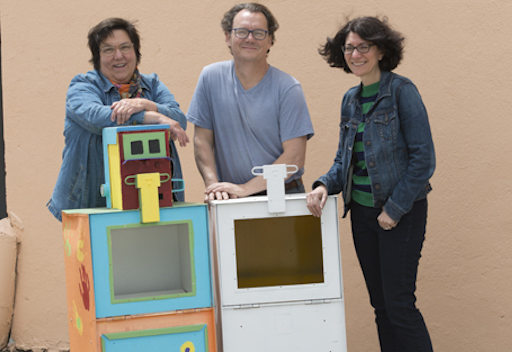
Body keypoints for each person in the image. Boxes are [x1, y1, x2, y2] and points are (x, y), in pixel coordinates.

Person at [306, 16, 448, 352]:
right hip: (364, 217)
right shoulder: (351, 100)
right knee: (382, 308)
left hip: (399, 215)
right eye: (349, 48)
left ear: (381, 50)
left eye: (363, 46)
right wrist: (322, 184)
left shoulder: (402, 92)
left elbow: (423, 159)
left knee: (400, 305)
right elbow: (343, 161)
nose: (355, 54)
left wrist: (396, 208)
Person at [47, 18, 189, 221]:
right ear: (97, 57)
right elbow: (97, 118)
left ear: (136, 52)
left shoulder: (153, 85)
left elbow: (179, 122)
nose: (118, 56)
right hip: (91, 204)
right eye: (108, 50)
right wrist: (152, 117)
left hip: (153, 202)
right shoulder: (82, 86)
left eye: (125, 47)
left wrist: (145, 104)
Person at [187, 3, 314, 201]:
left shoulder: (288, 88)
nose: (250, 38)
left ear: (270, 40)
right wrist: (213, 185)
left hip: (283, 195)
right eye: (242, 31)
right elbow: (202, 139)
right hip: (230, 199)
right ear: (228, 37)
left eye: (259, 33)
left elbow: (294, 158)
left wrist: (246, 189)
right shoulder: (210, 78)